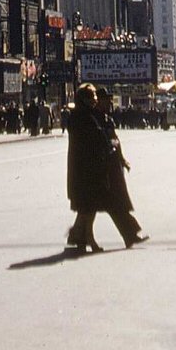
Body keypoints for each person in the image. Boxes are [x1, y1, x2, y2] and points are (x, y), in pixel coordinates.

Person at [94, 86, 149, 249]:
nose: (109, 102)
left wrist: (122, 159)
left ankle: (130, 234)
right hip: (104, 166)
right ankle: (130, 233)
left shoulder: (105, 118)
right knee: (110, 204)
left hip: (113, 164)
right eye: (106, 100)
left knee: (113, 204)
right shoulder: (96, 118)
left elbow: (115, 141)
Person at [65, 84, 107, 253]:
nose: (94, 100)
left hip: (80, 167)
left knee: (86, 207)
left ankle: (77, 235)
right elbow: (96, 138)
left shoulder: (78, 116)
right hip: (87, 168)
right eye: (92, 97)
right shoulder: (85, 117)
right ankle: (89, 239)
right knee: (88, 208)